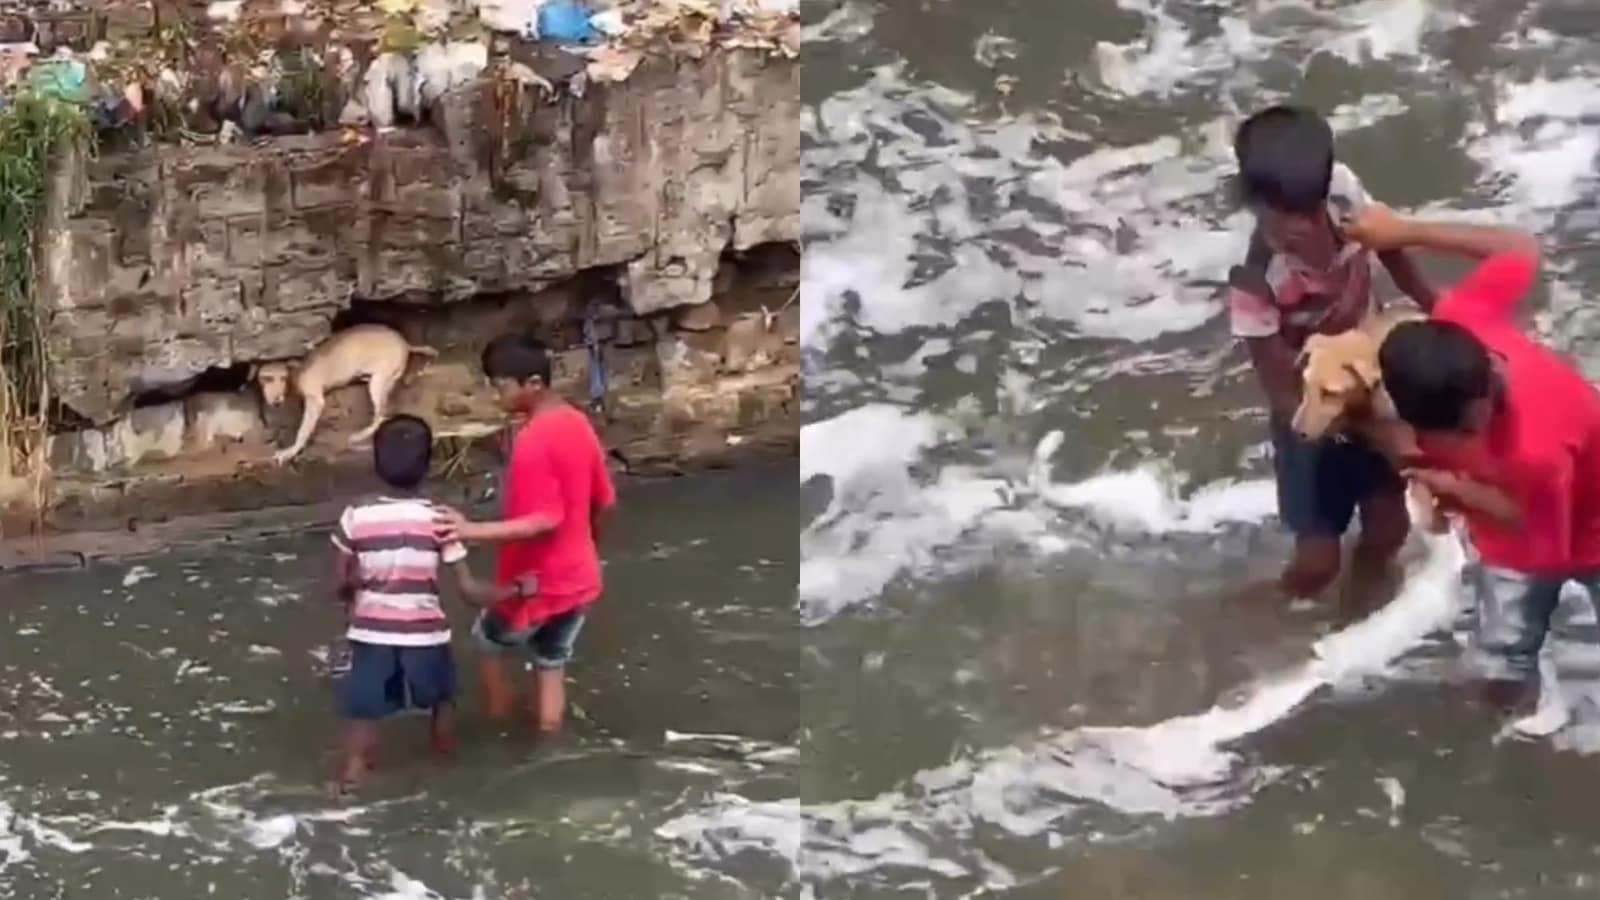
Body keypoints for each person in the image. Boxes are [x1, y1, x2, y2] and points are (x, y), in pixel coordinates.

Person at [1351, 203, 1600, 713]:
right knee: (1501, 669)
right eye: (1464, 432)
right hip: (1522, 519)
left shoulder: (1534, 448)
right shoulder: (1462, 323)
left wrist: (1457, 490)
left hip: (1575, 525)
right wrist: (1400, 235)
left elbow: (1542, 546)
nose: (1482, 429)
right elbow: (1519, 250)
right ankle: (1512, 724)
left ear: (1487, 365)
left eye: (1481, 416)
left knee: (1515, 627)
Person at [1226, 104, 1437, 597]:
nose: (1298, 230)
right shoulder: (1253, 280)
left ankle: (1359, 610)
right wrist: (1377, 433)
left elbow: (1390, 245)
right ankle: (1279, 613)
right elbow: (1282, 392)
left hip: (1368, 375)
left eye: (1308, 214)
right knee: (1318, 560)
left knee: (1389, 533)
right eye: (1282, 219)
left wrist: (1443, 308)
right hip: (1313, 406)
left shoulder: (1342, 189)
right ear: (1254, 204)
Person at [435, 334, 617, 733]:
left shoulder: (533, 440)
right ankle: (548, 737)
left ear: (532, 384)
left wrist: (469, 530)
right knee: (552, 661)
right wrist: (588, 554)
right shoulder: (577, 421)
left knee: (487, 641)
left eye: (501, 385)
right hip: (580, 579)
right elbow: (602, 502)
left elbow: (544, 519)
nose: (496, 394)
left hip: (534, 584)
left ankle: (498, 719)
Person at [330, 414, 494, 791]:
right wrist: (514, 592)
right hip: (426, 636)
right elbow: (468, 590)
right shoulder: (438, 519)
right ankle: (443, 763)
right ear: (428, 466)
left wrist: (353, 593)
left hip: (371, 634)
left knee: (363, 711)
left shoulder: (355, 517)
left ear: (376, 463)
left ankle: (351, 779)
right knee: (442, 701)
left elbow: (341, 582)